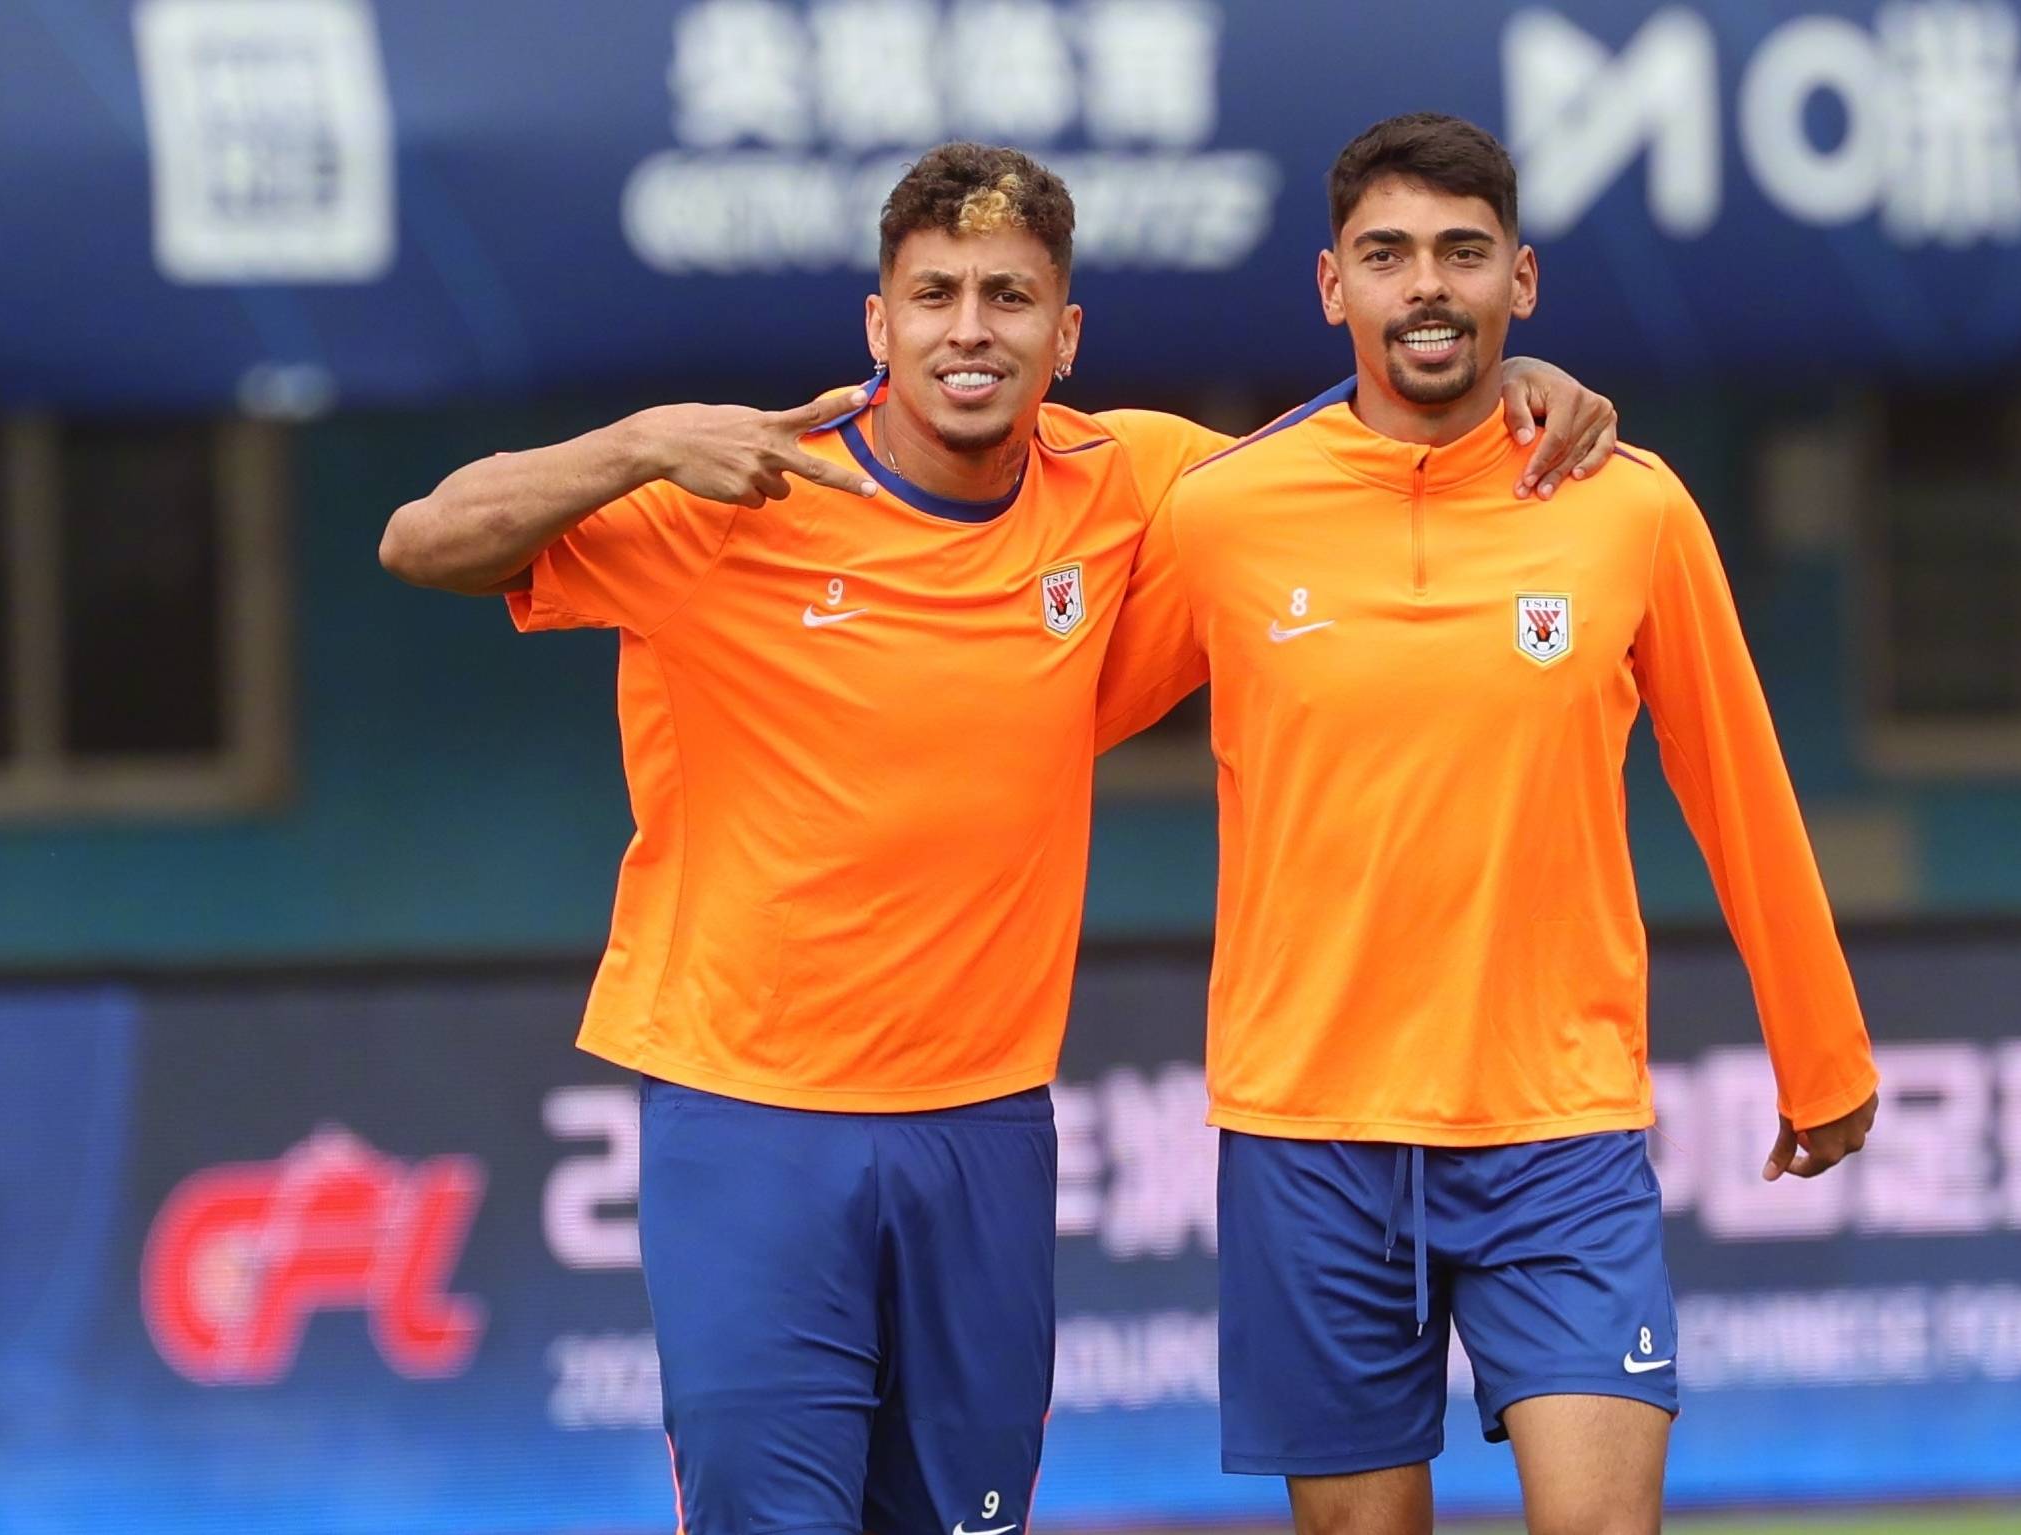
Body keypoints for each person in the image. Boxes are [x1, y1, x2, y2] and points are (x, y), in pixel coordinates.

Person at [379, 141, 1620, 1535]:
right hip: (749, 1123)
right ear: (880, 325)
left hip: (987, 1128)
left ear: (1065, 336)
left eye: (1009, 298)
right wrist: (646, 442)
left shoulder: (1130, 477)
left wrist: (1506, 379)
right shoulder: (735, 492)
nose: (970, 331)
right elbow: (422, 542)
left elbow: (1356, 461)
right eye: (937, 296)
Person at [1094, 113, 1882, 1535]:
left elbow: (1738, 781)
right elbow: (1047, 722)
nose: (1426, 287)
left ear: (1522, 279)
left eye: (1463, 254)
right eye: (1386, 255)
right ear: (1331, 286)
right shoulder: (1224, 513)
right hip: (1307, 1134)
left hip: (1557, 1129)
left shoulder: (1630, 508)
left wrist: (1821, 1051)